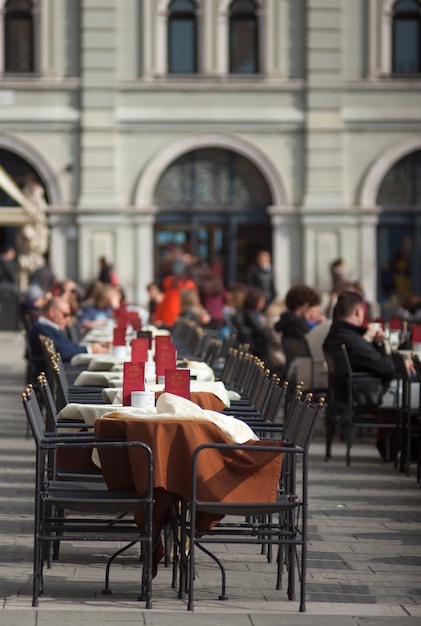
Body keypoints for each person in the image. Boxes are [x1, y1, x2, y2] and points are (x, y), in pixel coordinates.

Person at [322, 288, 415, 459]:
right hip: (369, 393)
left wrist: (376, 343)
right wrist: (403, 365)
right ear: (359, 311)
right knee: (415, 390)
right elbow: (385, 367)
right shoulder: (350, 338)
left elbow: (370, 361)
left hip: (352, 391)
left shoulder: (335, 335)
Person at [29, 297, 110, 364]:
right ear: (52, 312)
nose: (68, 319)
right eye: (65, 315)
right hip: (59, 373)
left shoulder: (47, 326)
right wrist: (90, 350)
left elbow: (69, 346)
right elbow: (63, 352)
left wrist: (92, 347)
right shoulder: (42, 328)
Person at [153, 258, 196, 328]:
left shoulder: (188, 285)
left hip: (181, 318)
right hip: (167, 317)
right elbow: (164, 303)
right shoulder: (168, 282)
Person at [231, 286, 268, 361]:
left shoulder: (253, 313)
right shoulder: (250, 314)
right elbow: (260, 329)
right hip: (253, 348)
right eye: (261, 301)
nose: (263, 304)